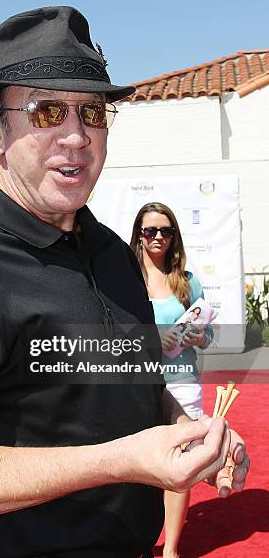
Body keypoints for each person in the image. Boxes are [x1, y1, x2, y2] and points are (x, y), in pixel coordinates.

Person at [0, 7, 249, 558]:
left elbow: (134, 389)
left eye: (94, 112)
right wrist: (121, 460)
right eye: (47, 110)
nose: (77, 136)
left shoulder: (112, 254)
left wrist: (192, 433)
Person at [130, 202, 214, 558]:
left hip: (183, 380)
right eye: (150, 230)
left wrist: (199, 337)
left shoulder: (188, 282)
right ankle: (141, 541)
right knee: (138, 465)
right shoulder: (126, 278)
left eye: (166, 230)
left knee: (180, 463)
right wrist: (153, 340)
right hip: (137, 382)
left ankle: (172, 550)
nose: (158, 237)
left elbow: (207, 332)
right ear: (139, 235)